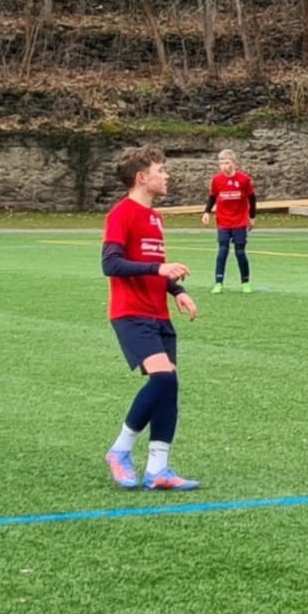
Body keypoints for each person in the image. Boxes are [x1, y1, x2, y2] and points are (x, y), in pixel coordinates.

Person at [103, 147, 202, 491]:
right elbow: (110, 264)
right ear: (142, 177)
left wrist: (176, 291)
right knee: (162, 379)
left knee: (169, 387)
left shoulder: (155, 217)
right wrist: (159, 268)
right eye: (161, 170)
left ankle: (157, 469)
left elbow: (151, 264)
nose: (167, 175)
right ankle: (120, 450)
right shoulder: (122, 214)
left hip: (157, 313)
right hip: (130, 314)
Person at [200, 147, 256, 294]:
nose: (224, 166)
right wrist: (207, 212)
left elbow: (252, 198)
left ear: (234, 162)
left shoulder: (244, 180)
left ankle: (245, 282)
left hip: (239, 222)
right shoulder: (217, 180)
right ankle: (218, 283)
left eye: (227, 163)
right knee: (222, 251)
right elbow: (212, 197)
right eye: (221, 163)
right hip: (223, 222)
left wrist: (252, 217)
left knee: (240, 252)